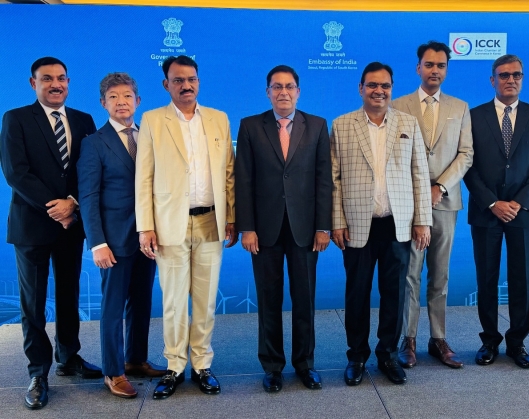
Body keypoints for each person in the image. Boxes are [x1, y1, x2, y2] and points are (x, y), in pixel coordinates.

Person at [0, 56, 101, 410]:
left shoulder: (83, 120)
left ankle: (69, 358)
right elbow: (16, 173)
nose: (55, 84)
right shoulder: (15, 119)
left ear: (68, 82)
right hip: (32, 226)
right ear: (33, 83)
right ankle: (37, 372)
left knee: (70, 294)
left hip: (72, 225)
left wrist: (71, 203)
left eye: (61, 78)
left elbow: (89, 169)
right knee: (33, 304)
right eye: (47, 79)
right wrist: (54, 206)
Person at [135, 55, 238, 399]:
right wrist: (146, 226)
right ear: (166, 85)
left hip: (211, 220)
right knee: (174, 301)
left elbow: (228, 173)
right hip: (169, 223)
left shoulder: (218, 119)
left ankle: (202, 364)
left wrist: (232, 217)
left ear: (199, 81)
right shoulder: (152, 120)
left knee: (206, 299)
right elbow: (144, 177)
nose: (186, 85)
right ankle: (175, 366)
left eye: (191, 78)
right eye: (178, 80)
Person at [331, 62, 431, 386]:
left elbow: (419, 174)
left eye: (385, 85)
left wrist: (422, 221)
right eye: (372, 85)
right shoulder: (342, 125)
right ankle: (357, 356)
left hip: (397, 224)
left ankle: (387, 354)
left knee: (394, 295)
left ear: (391, 88)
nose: (379, 91)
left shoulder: (408, 123)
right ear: (360, 88)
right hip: (357, 224)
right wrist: (337, 221)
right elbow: (334, 179)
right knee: (356, 294)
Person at [235, 65, 332, 393]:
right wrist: (247, 228)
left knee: (304, 299)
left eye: (289, 86)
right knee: (268, 300)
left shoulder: (317, 126)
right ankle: (273, 367)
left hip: (306, 229)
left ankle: (305, 364)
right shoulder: (250, 126)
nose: (283, 92)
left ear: (298, 91)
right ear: (268, 92)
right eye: (276, 87)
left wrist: (324, 227)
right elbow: (244, 180)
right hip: (264, 230)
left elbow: (323, 179)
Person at [77, 72, 166, 399]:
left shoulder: (150, 136)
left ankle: (135, 360)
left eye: (127, 96)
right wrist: (97, 243)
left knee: (142, 303)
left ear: (138, 101)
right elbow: (88, 197)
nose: (121, 103)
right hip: (113, 241)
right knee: (113, 308)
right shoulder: (93, 143)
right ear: (103, 103)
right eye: (113, 97)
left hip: (147, 238)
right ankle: (113, 372)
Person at [463, 54, 529, 369]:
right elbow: (467, 165)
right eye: (503, 75)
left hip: (523, 212)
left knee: (522, 279)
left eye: (516, 75)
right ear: (492, 80)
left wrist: (520, 201)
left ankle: (517, 342)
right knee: (486, 279)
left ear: (522, 79)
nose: (510, 80)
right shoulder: (473, 116)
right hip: (486, 211)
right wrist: (492, 202)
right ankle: (489, 341)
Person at [392, 41, 473, 369]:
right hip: (408, 206)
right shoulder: (398, 105)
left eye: (440, 65)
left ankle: (438, 337)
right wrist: (418, 191)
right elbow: (394, 157)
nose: (434, 70)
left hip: (445, 201)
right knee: (409, 274)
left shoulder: (460, 107)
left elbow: (466, 154)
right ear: (418, 68)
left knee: (440, 274)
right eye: (429, 65)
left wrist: (439, 186)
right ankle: (407, 339)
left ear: (446, 70)